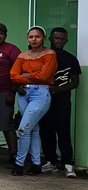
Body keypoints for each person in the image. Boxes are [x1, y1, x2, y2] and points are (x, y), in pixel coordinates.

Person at [10, 26, 57, 176]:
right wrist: (29, 76)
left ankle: (19, 163)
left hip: (40, 93)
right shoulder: (23, 55)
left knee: (23, 129)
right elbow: (13, 74)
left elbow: (45, 76)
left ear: (44, 38)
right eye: (31, 37)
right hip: (23, 93)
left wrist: (25, 75)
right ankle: (36, 163)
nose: (34, 39)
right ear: (27, 39)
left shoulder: (50, 54)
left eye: (37, 36)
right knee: (33, 129)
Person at [40, 26, 80, 177]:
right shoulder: (42, 56)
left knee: (63, 132)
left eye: (63, 39)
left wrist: (59, 89)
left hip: (62, 102)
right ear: (50, 39)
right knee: (46, 131)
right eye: (57, 38)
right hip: (44, 100)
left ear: (66, 41)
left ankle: (67, 163)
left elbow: (75, 82)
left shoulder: (71, 59)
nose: (59, 41)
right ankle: (50, 161)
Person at [0, 22, 22, 161]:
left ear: (5, 35)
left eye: (0, 34)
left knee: (7, 124)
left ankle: (14, 154)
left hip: (5, 93)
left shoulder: (12, 49)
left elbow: (18, 71)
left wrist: (12, 92)